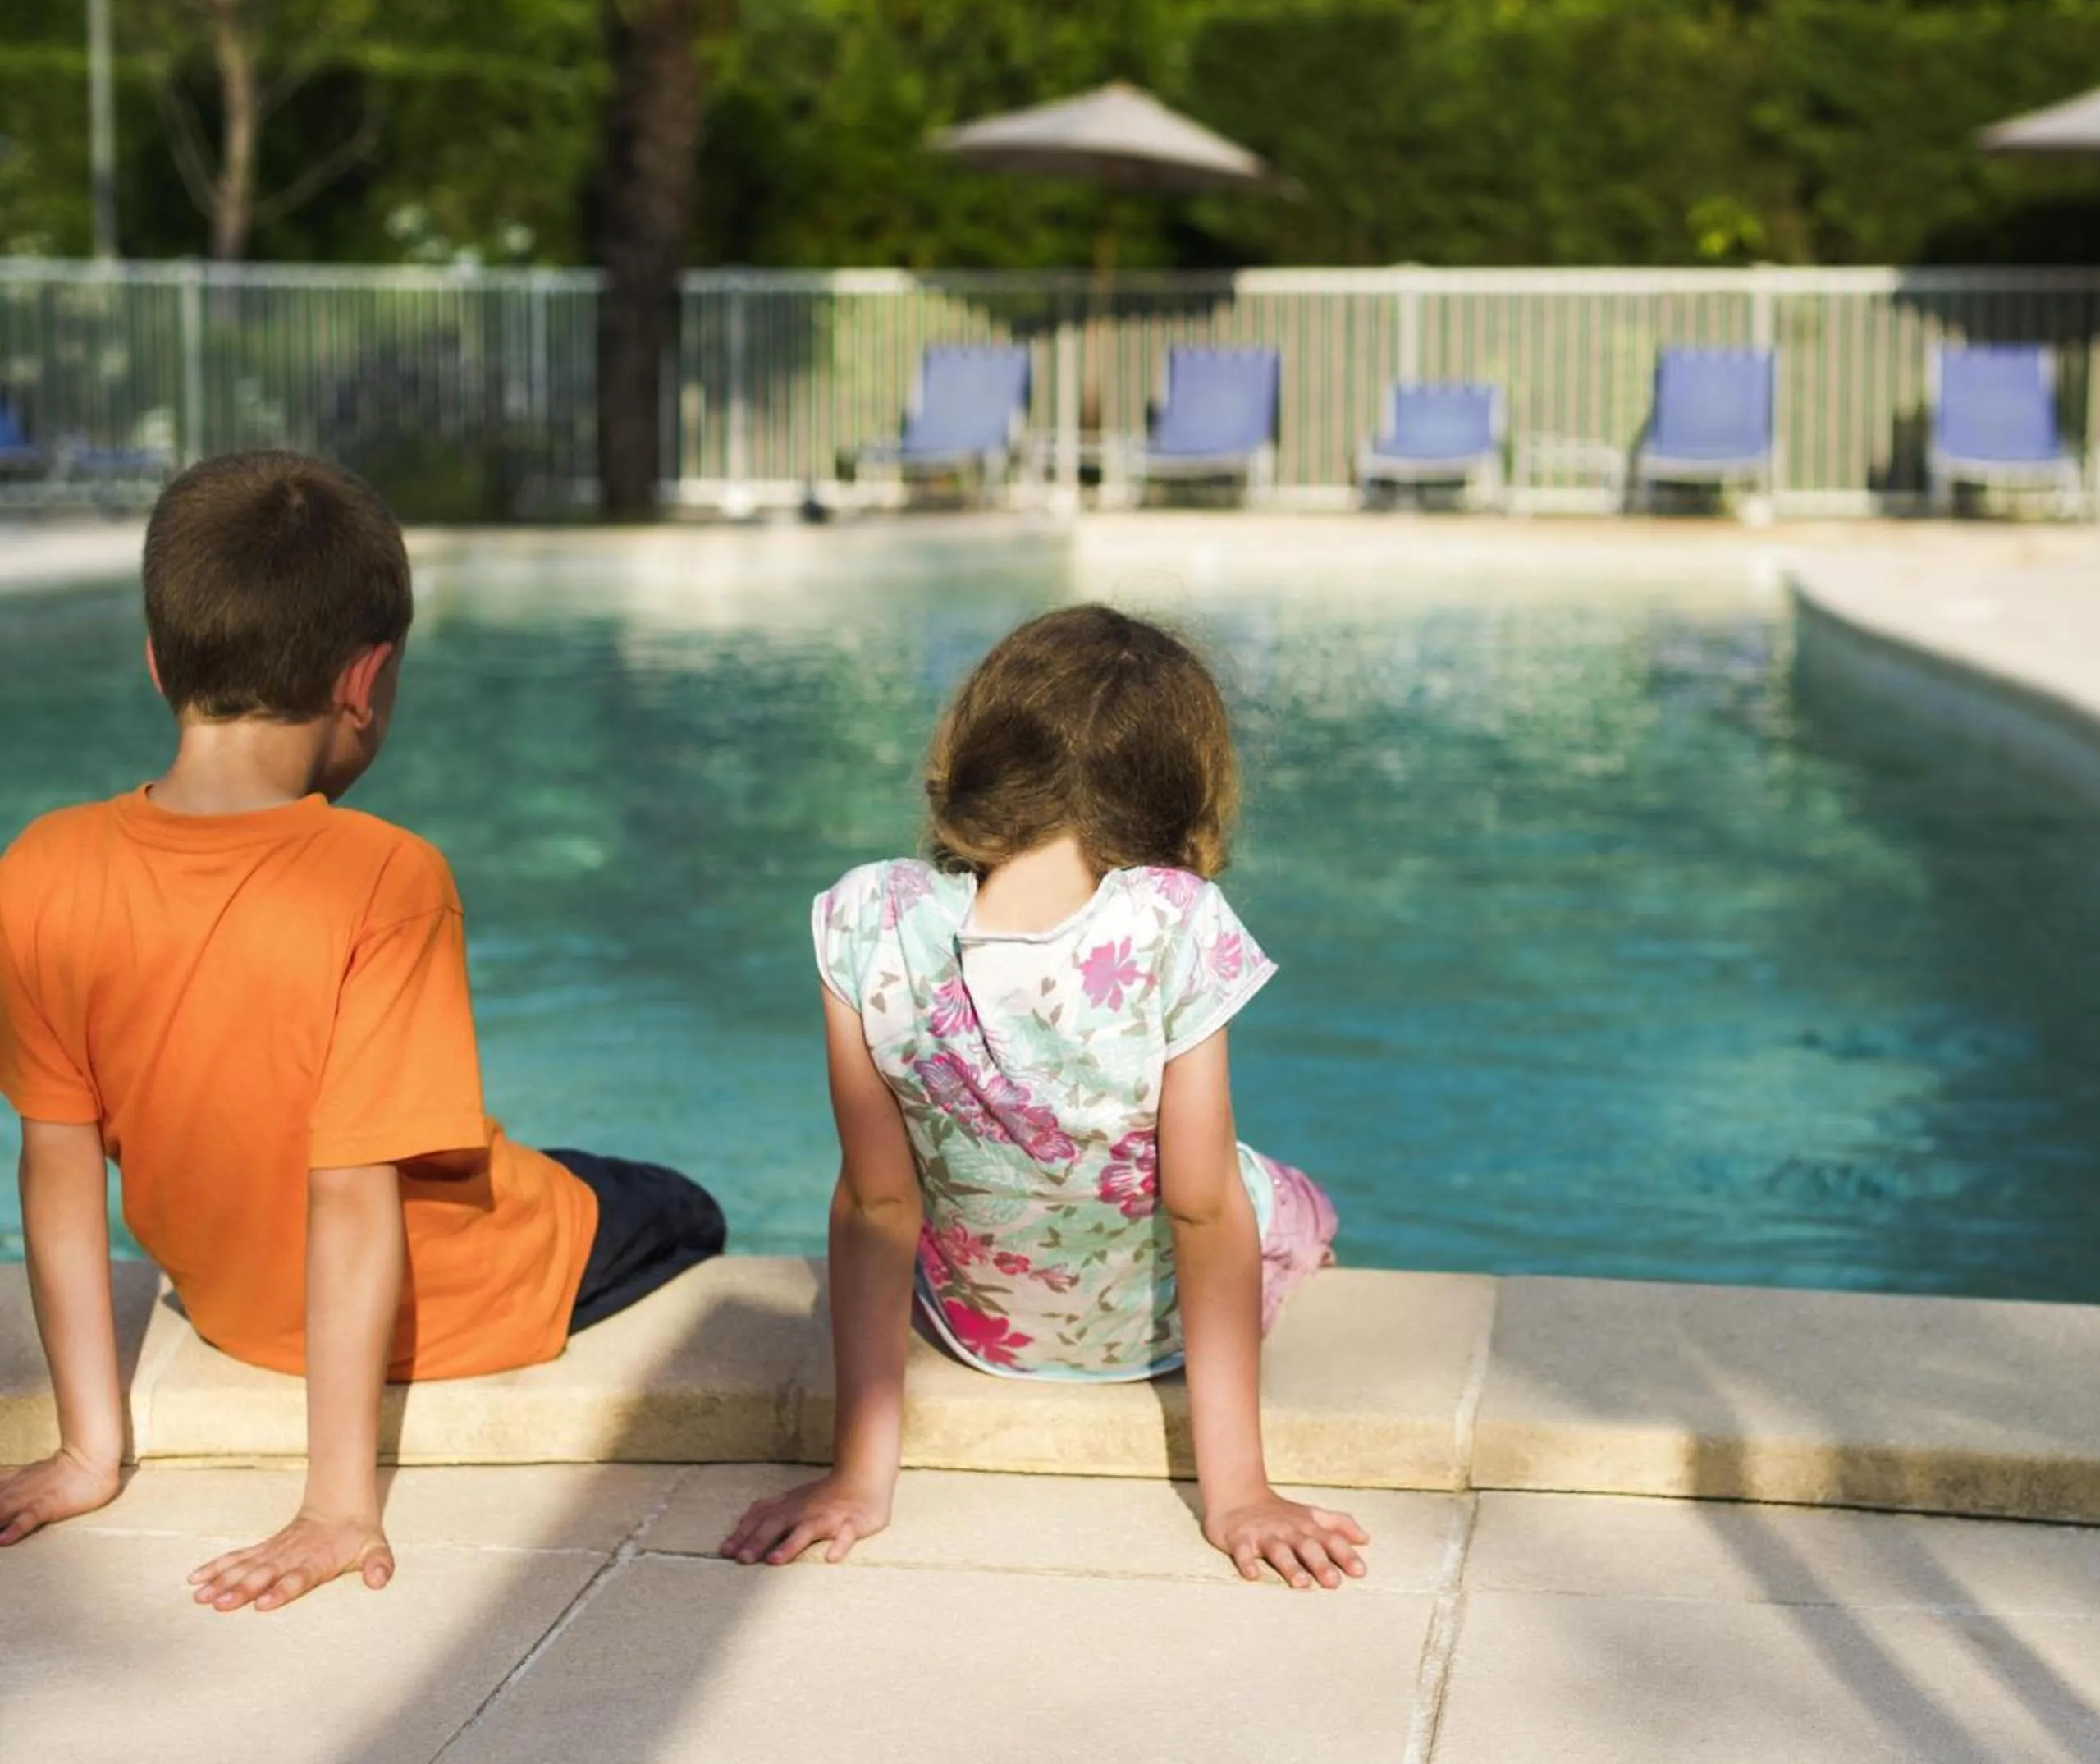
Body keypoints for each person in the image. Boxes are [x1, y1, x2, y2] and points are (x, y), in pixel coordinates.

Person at [0, 451, 725, 1611]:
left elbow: (54, 1164)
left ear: (155, 663)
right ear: (367, 679)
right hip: (468, 1294)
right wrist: (338, 1504)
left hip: (235, 1306)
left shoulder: (39, 867)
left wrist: (92, 1449)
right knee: (678, 1201)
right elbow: (350, 1194)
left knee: (519, 1154)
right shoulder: (380, 875)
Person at [724, 604, 1363, 1589]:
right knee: (1282, 1196)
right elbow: (1199, 1203)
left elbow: (878, 1201)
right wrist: (1238, 1493)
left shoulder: (866, 917)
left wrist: (858, 1477)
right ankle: (1314, 1236)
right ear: (1175, 789)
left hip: (977, 1325)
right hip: (1145, 1335)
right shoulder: (1174, 922)